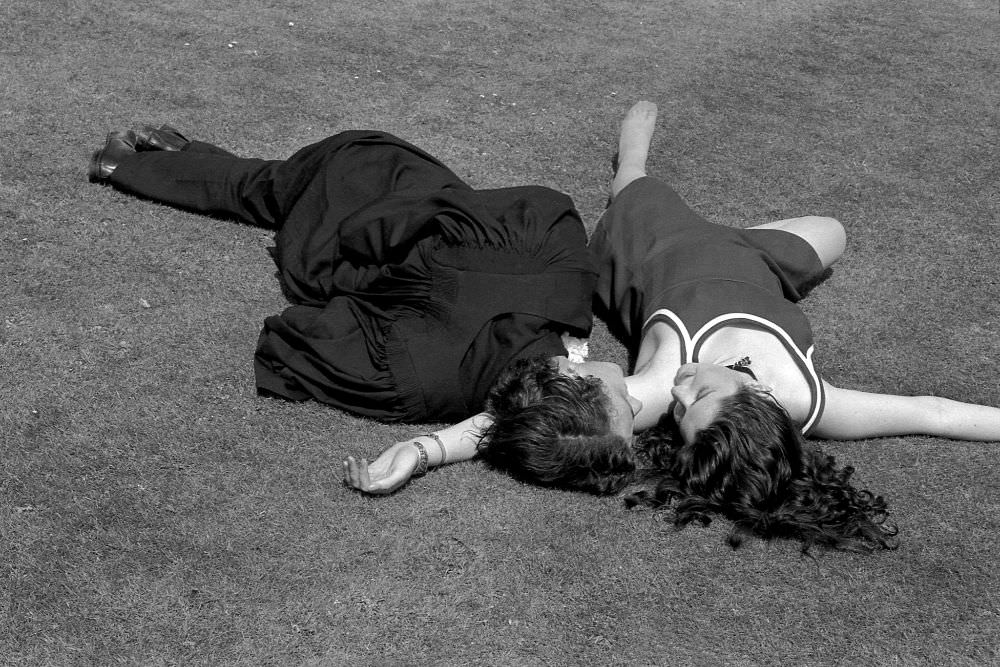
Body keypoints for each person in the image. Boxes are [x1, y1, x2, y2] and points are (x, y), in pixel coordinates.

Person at [346, 101, 1000, 553]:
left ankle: (632, 155)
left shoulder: (668, 381)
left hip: (658, 248)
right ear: (761, 401)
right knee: (836, 233)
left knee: (632, 183)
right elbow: (931, 411)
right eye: (700, 397)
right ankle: (661, 175)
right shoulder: (809, 400)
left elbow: (546, 412)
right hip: (756, 264)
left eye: (681, 406)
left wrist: (426, 449)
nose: (681, 390)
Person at [87, 125, 598, 424]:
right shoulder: (435, 386)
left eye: (623, 401)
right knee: (285, 185)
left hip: (367, 203)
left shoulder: (558, 277)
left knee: (279, 187)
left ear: (572, 378)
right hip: (365, 234)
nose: (636, 396)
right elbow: (310, 334)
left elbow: (544, 206)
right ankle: (181, 154)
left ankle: (121, 166)